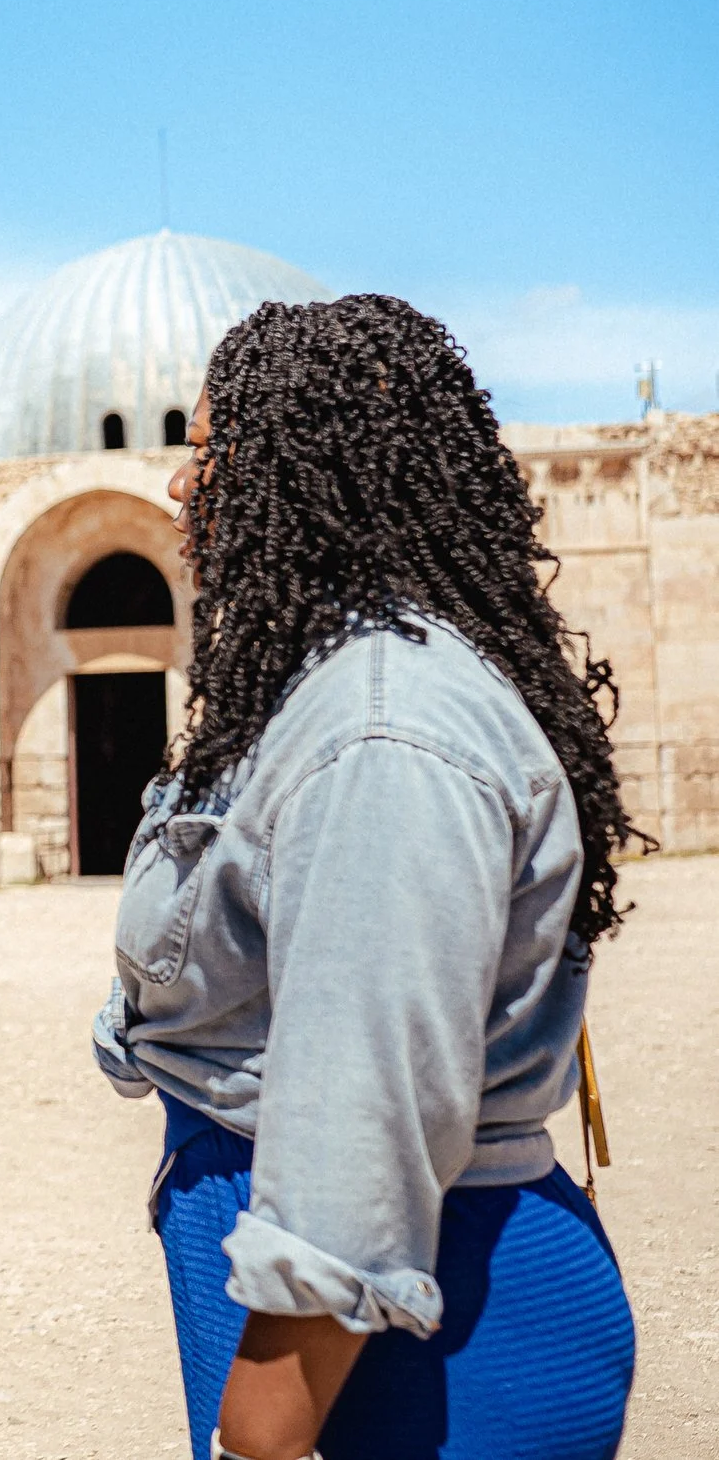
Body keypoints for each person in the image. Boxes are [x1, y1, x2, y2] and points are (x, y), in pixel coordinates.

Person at [92, 297, 646, 1460]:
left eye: (211, 452)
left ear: (308, 467)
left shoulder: (379, 733)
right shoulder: (324, 688)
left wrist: (261, 1436)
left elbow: (364, 1115)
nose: (183, 490)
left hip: (413, 1349)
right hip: (370, 1325)